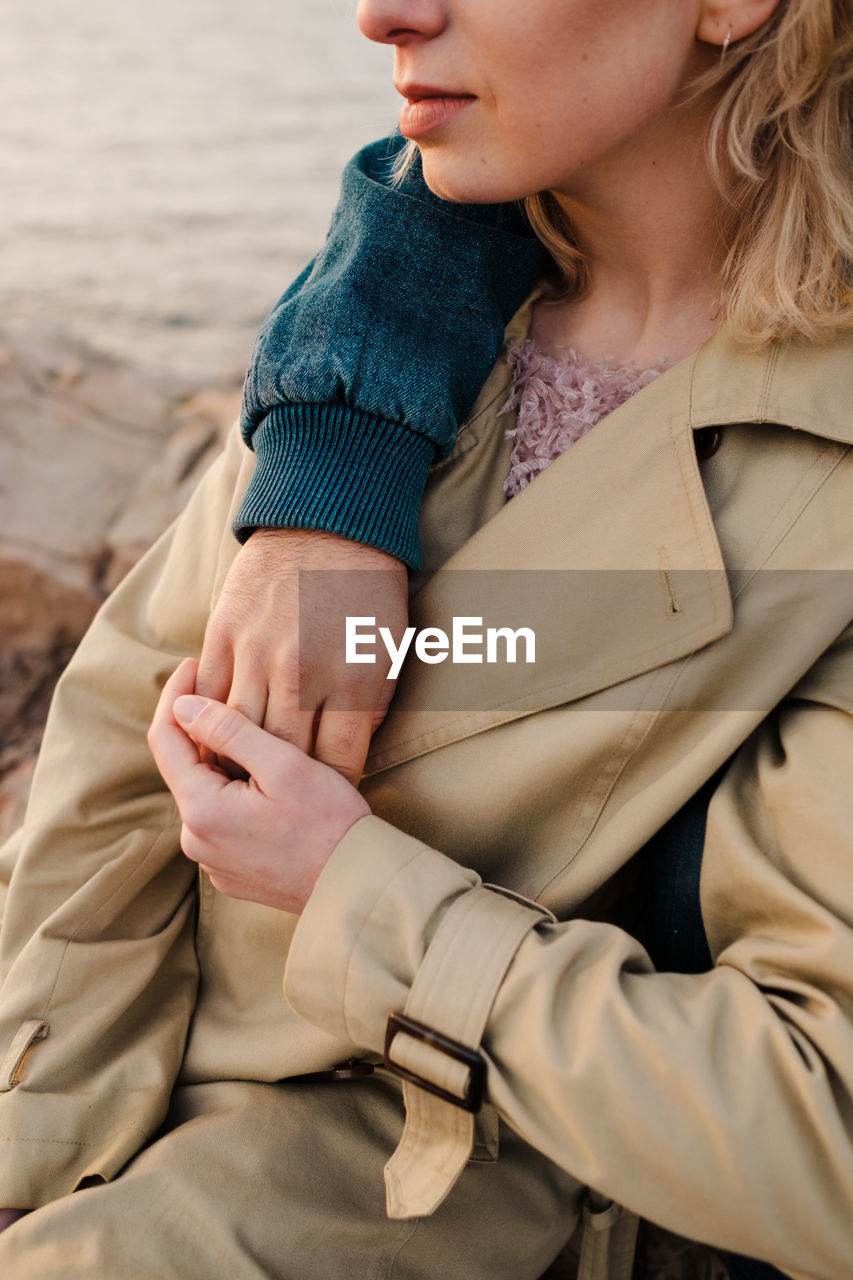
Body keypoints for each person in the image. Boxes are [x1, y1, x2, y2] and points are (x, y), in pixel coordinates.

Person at [1, 2, 852, 1278]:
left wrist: (352, 886)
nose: (381, 11)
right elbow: (116, 773)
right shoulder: (361, 351)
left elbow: (813, 1135)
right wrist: (28, 1165)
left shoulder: (815, 487)